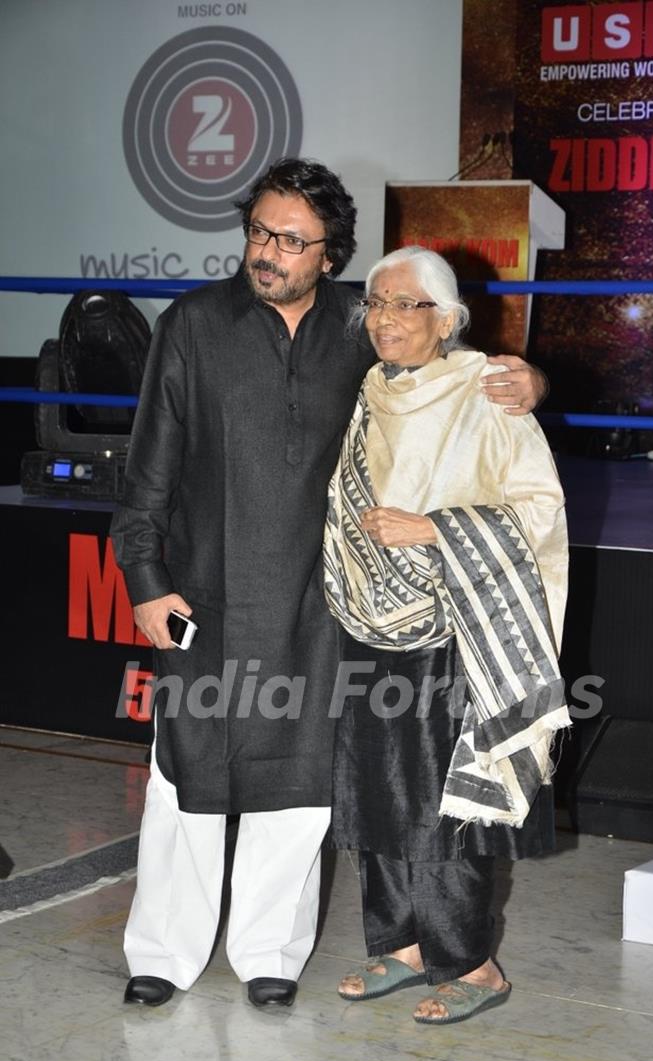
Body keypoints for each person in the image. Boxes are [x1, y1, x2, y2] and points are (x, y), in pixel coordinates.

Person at [110, 159, 547, 1010]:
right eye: (258, 232)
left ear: (331, 252)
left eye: (291, 240)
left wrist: (530, 379)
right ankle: (163, 951)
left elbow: (451, 370)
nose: (267, 252)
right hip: (203, 600)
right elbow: (147, 469)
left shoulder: (362, 322)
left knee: (301, 788)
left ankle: (271, 951)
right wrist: (144, 579)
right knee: (186, 777)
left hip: (320, 608)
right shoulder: (193, 325)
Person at [324, 245, 570, 1025]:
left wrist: (433, 529)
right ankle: (397, 945)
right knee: (372, 785)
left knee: (442, 799)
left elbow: (538, 511)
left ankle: (473, 961)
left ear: (448, 319)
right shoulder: (370, 390)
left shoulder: (491, 391)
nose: (386, 319)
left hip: (458, 624)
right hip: (369, 615)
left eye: (406, 305)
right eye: (376, 302)